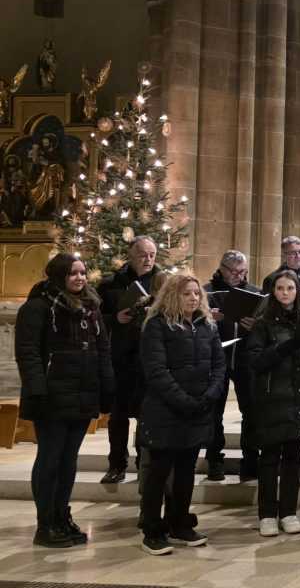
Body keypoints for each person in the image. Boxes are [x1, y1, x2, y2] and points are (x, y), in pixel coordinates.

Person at [16, 254, 114, 547]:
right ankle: (45, 523)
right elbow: (28, 352)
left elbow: (102, 351)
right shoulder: (38, 307)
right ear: (58, 276)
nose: (80, 278)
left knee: (68, 461)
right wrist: (37, 390)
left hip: (82, 394)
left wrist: (107, 388)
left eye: (83, 273)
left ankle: (62, 516)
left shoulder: (91, 308)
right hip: (51, 397)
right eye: (73, 273)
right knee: (50, 459)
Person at [138, 272, 226, 555]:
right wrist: (184, 400)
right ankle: (152, 530)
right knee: (159, 472)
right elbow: (157, 372)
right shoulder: (157, 325)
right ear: (173, 295)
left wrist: (210, 395)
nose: (193, 298)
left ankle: (179, 524)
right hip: (166, 411)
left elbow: (219, 365)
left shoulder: (207, 326)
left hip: (197, 409)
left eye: (196, 293)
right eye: (187, 293)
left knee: (187, 471)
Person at [246, 270, 300, 537]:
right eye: (280, 288)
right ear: (273, 292)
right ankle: (267, 514)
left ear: (297, 291)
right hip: (272, 398)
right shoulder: (262, 323)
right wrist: (287, 346)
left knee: (292, 459)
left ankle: (289, 512)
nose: (285, 293)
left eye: (290, 288)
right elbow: (256, 361)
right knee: (269, 459)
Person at [97, 236, 161, 484]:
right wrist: (116, 318)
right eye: (143, 255)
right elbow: (97, 317)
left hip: (150, 357)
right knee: (119, 414)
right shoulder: (111, 283)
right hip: (121, 358)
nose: (148, 259)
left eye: (152, 254)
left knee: (146, 414)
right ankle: (116, 464)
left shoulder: (163, 282)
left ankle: (142, 463)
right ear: (131, 255)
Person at [202, 250, 259, 482]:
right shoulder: (206, 292)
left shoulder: (254, 292)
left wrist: (256, 324)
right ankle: (214, 460)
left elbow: (265, 324)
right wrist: (207, 318)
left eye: (243, 271)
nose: (238, 276)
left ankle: (250, 461)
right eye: (234, 272)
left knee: (251, 411)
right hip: (217, 359)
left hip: (245, 358)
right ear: (222, 269)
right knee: (215, 412)